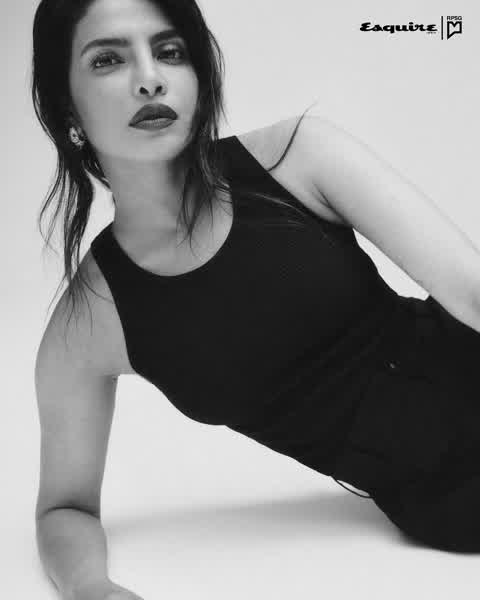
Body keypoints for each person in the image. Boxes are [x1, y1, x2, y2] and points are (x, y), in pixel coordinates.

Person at [32, 0, 480, 597]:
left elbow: (473, 292)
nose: (150, 77)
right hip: (449, 502)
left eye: (170, 52)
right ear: (67, 106)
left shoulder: (297, 157)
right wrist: (92, 588)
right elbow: (63, 509)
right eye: (108, 59)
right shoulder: (90, 320)